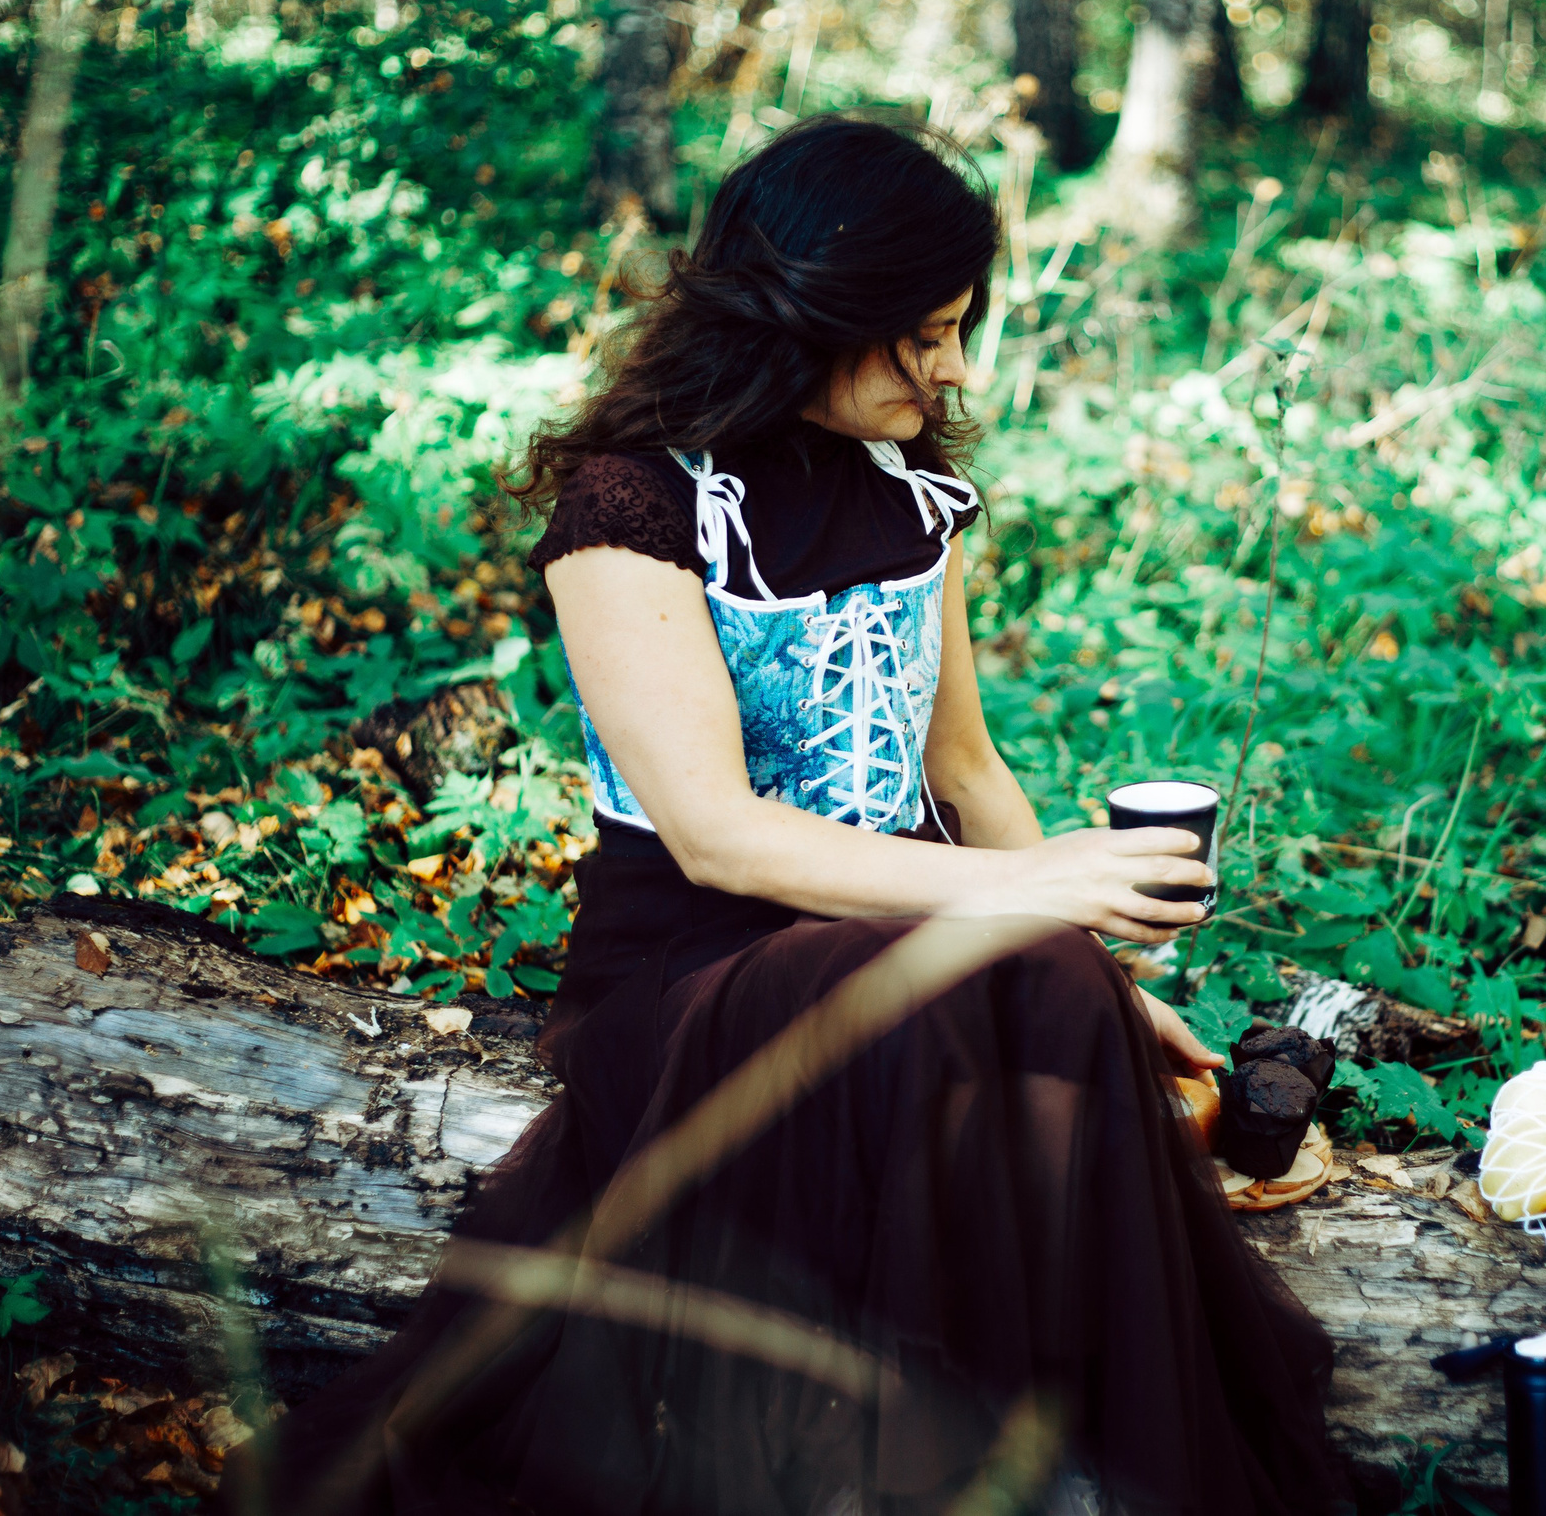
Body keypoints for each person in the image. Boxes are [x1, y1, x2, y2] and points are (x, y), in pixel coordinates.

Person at [238, 113, 1350, 1516]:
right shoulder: (630, 509)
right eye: (922, 334)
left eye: (959, 330)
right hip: (693, 971)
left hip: (904, 943)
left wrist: (1107, 978)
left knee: (1052, 983)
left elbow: (968, 776)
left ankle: (1052, 1462)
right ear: (812, 308)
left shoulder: (914, 495)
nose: (952, 368)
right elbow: (716, 835)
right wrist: (1041, 895)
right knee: (967, 966)